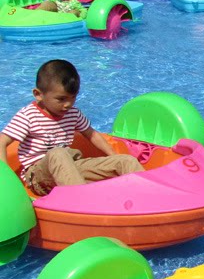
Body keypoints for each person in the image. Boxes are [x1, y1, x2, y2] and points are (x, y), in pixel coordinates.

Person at [0, 60, 144, 198]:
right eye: (61, 99)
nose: (68, 104)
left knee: (126, 161)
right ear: (38, 94)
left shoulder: (73, 114)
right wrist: (7, 179)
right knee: (58, 153)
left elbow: (92, 134)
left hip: (71, 168)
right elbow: (2, 141)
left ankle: (148, 196)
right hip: (39, 176)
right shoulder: (28, 115)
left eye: (73, 97)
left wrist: (113, 155)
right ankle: (83, 201)